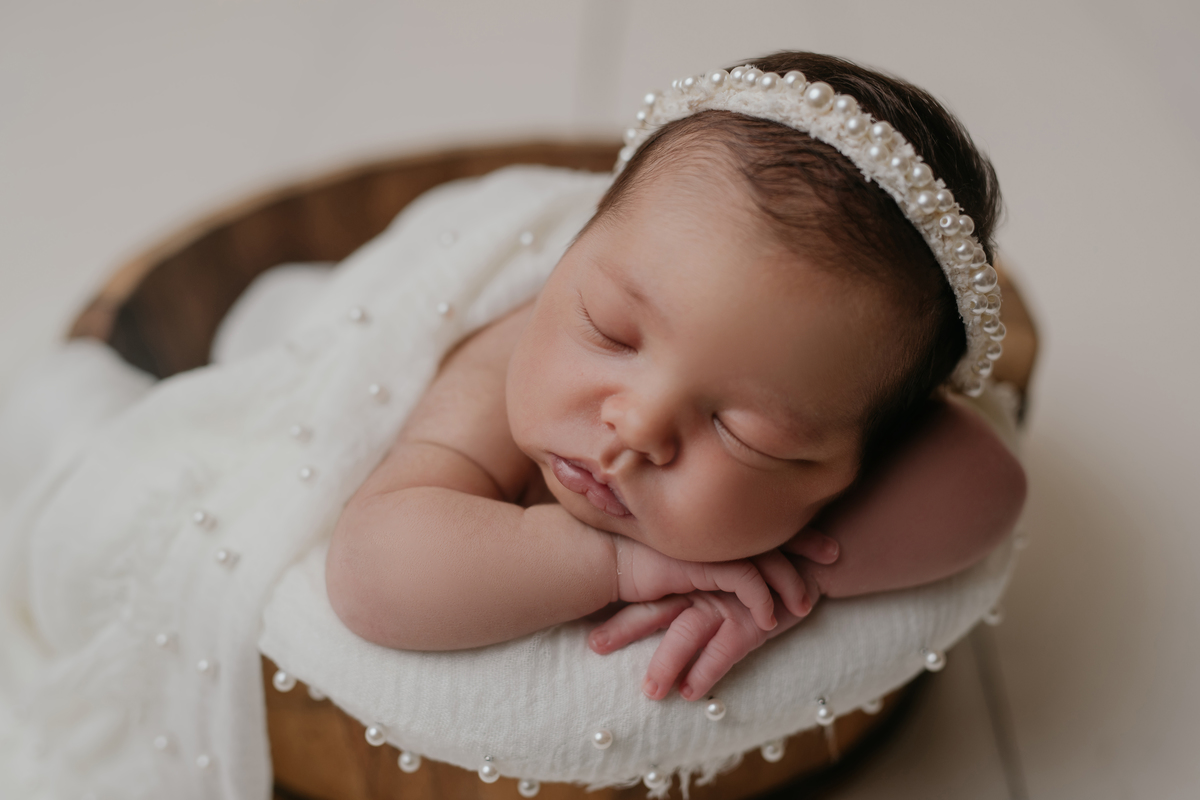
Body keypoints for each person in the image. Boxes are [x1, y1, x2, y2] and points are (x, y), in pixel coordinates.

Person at [324, 51, 1027, 704]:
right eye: (610, 331)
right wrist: (614, 567)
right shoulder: (503, 360)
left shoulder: (841, 395)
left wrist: (795, 579)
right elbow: (371, 572)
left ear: (859, 466)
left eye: (744, 433)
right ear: (574, 252)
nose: (637, 426)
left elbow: (990, 486)